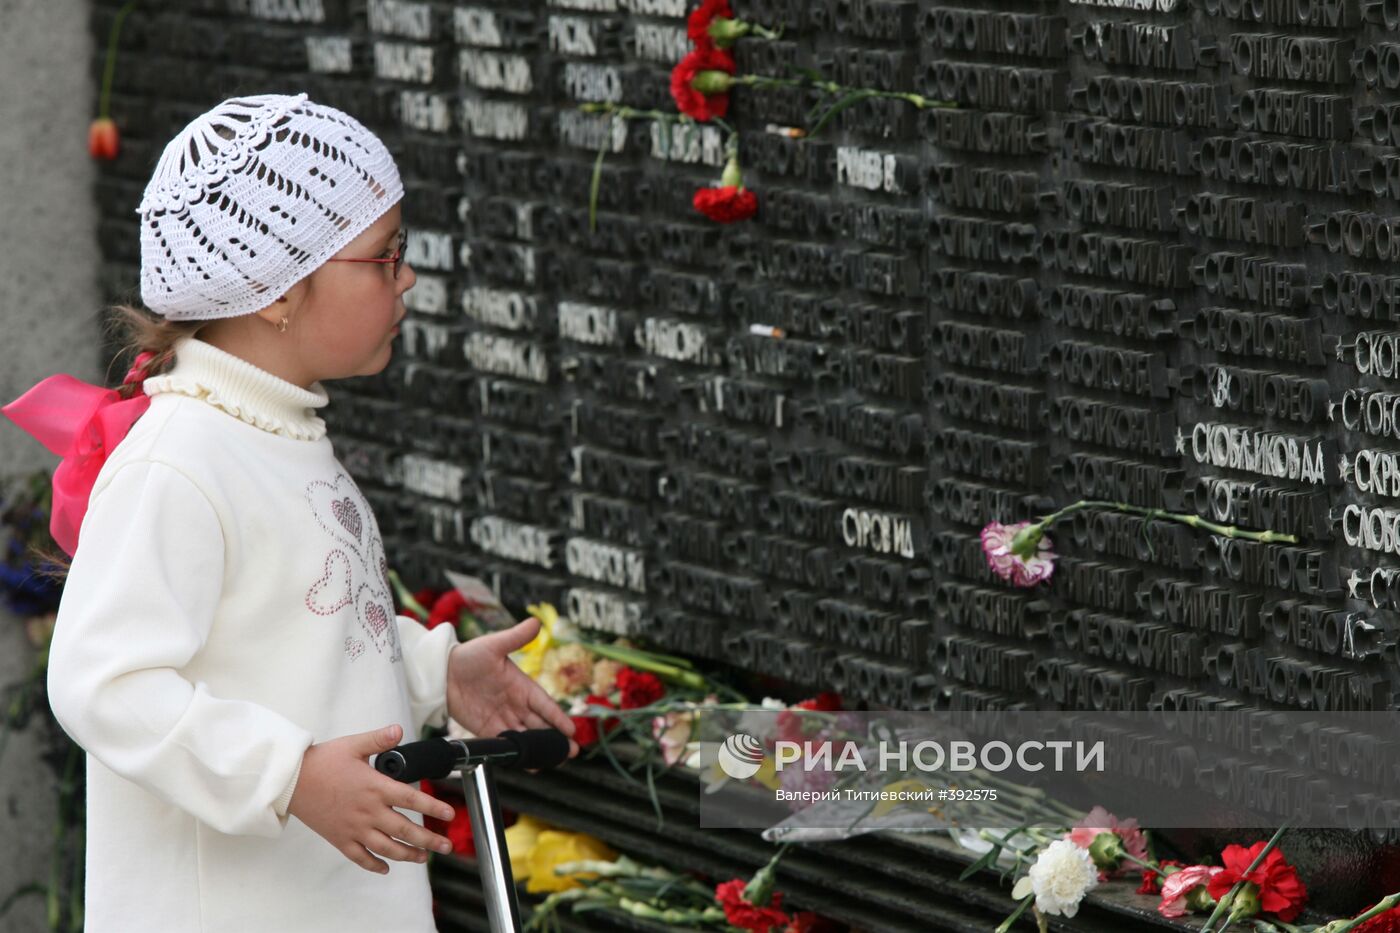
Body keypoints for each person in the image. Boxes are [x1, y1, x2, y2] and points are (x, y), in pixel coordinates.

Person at [3, 92, 576, 932]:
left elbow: (296, 629)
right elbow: (103, 681)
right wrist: (289, 776)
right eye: (385, 256)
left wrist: (431, 671)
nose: (407, 276)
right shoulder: (180, 461)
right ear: (275, 290)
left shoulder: (277, 432)